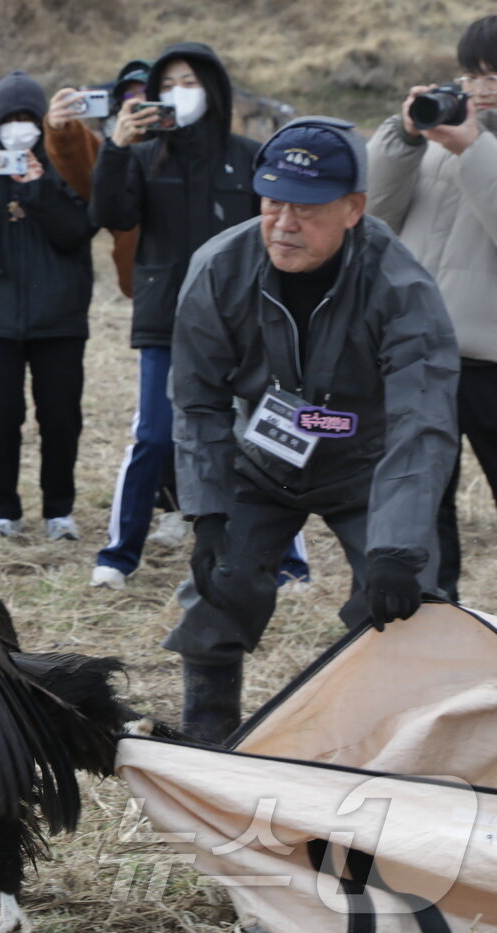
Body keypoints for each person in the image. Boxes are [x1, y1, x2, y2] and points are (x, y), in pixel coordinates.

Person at [167, 117, 459, 743]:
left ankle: (380, 742)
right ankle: (206, 735)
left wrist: (397, 549)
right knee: (220, 583)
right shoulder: (219, 268)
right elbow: (197, 402)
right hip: (262, 459)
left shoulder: (401, 285)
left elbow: (423, 418)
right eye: (273, 202)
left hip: (370, 466)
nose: (284, 223)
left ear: (354, 208)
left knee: (410, 601)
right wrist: (208, 511)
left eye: (308, 209)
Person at [87, 43, 263, 589]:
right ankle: (119, 555)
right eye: (169, 85)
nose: (179, 94)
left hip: (240, 319)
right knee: (156, 437)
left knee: (255, 436)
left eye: (191, 82)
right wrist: (116, 148)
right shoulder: (143, 156)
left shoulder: (249, 156)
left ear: (214, 89)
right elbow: (109, 214)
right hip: (166, 316)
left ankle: (280, 557)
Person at [367, 14, 497, 602]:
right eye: (472, 74)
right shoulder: (440, 141)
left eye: (496, 74)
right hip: (421, 350)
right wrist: (401, 140)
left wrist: (476, 151)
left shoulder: (470, 146)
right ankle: (431, 623)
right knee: (420, 506)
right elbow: (373, 217)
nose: (481, 87)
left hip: (492, 360)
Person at [0, 71, 95, 541]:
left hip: (59, 321)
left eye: (29, 119)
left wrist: (37, 186)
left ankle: (58, 511)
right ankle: (3, 509)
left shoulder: (63, 171)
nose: (18, 129)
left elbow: (76, 232)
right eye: (10, 120)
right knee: (0, 417)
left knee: (61, 419)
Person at [43, 58, 150, 302]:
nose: (136, 100)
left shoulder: (185, 148)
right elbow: (87, 168)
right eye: (128, 95)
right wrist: (61, 129)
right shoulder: (119, 155)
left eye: (144, 91)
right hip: (144, 288)